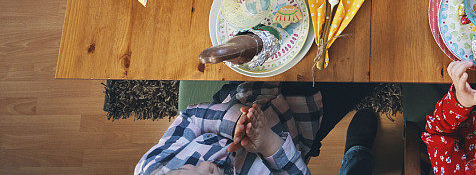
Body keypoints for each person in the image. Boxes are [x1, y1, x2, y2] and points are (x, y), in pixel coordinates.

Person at [135, 82, 373, 174]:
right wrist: (267, 141)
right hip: (300, 122)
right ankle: (357, 154)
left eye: (189, 169)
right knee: (361, 75)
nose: (207, 167)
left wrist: (235, 124)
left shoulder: (152, 167)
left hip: (242, 97)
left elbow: (191, 118)